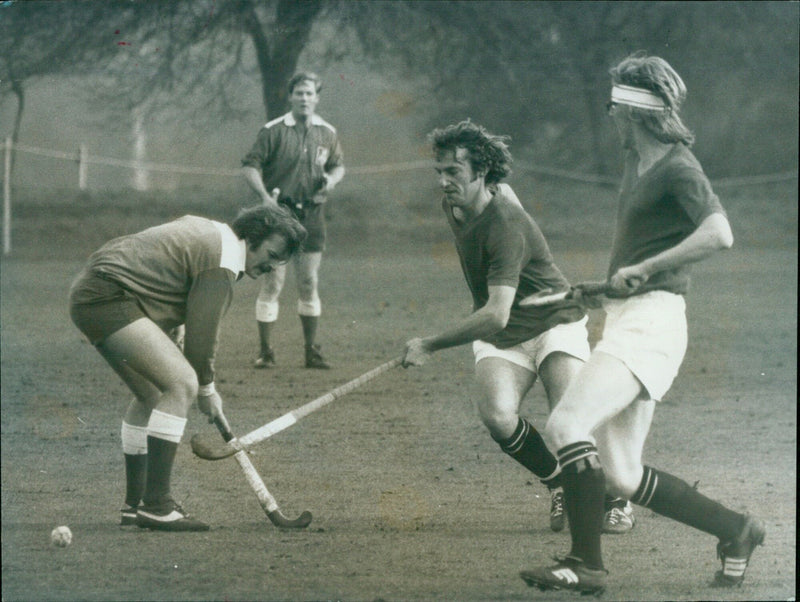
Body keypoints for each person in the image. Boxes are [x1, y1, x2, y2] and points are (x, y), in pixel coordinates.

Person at [520, 54, 765, 594]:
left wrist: (648, 269)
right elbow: (641, 253)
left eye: (614, 105)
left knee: (565, 427)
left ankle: (586, 563)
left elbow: (720, 233)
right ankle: (736, 530)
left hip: (653, 325)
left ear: (633, 113)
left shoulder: (679, 167)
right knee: (622, 476)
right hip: (630, 315)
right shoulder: (638, 165)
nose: (609, 115)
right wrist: (605, 285)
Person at [401, 120, 635, 534]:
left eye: (453, 172)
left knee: (570, 419)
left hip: (552, 323)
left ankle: (617, 498)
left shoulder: (505, 225)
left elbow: (494, 314)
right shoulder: (458, 204)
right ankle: (557, 481)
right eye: (439, 172)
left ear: (482, 174)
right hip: (505, 333)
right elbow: (499, 319)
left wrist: (430, 345)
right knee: (497, 415)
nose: (443, 182)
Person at [68, 204, 307, 531]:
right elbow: (202, 341)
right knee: (183, 384)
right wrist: (207, 390)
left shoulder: (213, 232)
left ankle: (135, 505)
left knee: (151, 394)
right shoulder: (222, 259)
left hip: (95, 292)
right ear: (253, 237)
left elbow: (168, 273)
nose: (272, 266)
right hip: (108, 297)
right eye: (272, 253)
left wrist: (173, 328)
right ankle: (157, 505)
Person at [241, 71, 345, 370]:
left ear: (317, 97)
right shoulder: (273, 130)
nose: (304, 98)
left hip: (312, 214)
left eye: (309, 93)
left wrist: (331, 181)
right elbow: (250, 166)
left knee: (309, 281)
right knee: (274, 282)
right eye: (299, 93)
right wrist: (264, 197)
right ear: (290, 97)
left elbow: (338, 166)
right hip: (278, 215)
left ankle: (311, 351)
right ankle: (266, 351)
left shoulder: (327, 132)